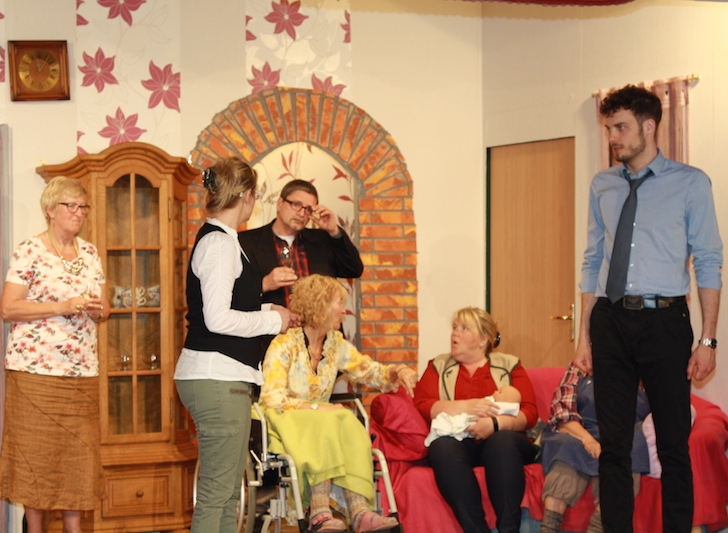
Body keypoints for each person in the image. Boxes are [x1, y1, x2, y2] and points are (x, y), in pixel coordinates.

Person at [575, 85, 723, 533]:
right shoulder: (602, 185)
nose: (612, 138)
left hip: (665, 321)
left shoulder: (691, 183)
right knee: (614, 447)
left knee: (674, 446)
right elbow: (592, 261)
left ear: (649, 125)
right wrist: (583, 337)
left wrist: (708, 339)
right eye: (608, 129)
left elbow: (708, 260)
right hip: (610, 320)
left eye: (620, 128)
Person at [173, 157, 296, 533]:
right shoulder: (219, 244)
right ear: (247, 196)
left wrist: (267, 309)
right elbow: (217, 319)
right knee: (217, 493)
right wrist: (272, 320)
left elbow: (227, 308)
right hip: (216, 377)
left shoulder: (225, 240)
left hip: (223, 377)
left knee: (229, 494)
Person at [0, 176, 109, 533]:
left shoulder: (90, 253)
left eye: (83, 206)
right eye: (70, 206)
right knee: (35, 458)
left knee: (78, 459)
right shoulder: (29, 251)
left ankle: (74, 530)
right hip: (34, 374)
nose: (78, 213)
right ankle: (35, 529)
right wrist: (62, 306)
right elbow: (8, 308)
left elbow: (105, 308)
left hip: (81, 374)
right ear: (50, 210)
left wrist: (96, 309)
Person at [260, 274, 417, 533]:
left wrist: (399, 370)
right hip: (285, 419)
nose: (343, 310)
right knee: (334, 417)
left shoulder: (335, 344)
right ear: (319, 305)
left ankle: (359, 512)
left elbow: (370, 371)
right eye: (338, 302)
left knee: (345, 419)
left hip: (324, 423)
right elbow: (273, 398)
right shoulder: (284, 343)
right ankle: (320, 509)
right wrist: (318, 409)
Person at [413, 307, 539, 533]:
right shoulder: (438, 365)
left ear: (483, 339)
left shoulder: (509, 365)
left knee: (501, 442)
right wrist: (467, 406)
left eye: (464, 328)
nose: (455, 333)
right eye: (454, 327)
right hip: (461, 441)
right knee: (441, 446)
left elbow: (529, 413)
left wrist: (495, 425)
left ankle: (509, 529)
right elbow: (423, 404)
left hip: (505, 441)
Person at [540, 362, 650, 533]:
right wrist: (587, 439)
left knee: (633, 445)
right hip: (579, 430)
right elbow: (562, 414)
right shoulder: (580, 366)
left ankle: (597, 529)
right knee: (567, 446)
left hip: (623, 432)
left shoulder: (643, 367)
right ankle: (549, 528)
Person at [238, 179, 363, 308]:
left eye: (308, 209)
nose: (302, 213)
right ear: (280, 203)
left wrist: (334, 231)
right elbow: (234, 294)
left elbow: (353, 270)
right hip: (273, 320)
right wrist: (264, 284)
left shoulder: (322, 240)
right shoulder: (246, 242)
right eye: (296, 205)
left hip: (318, 321)